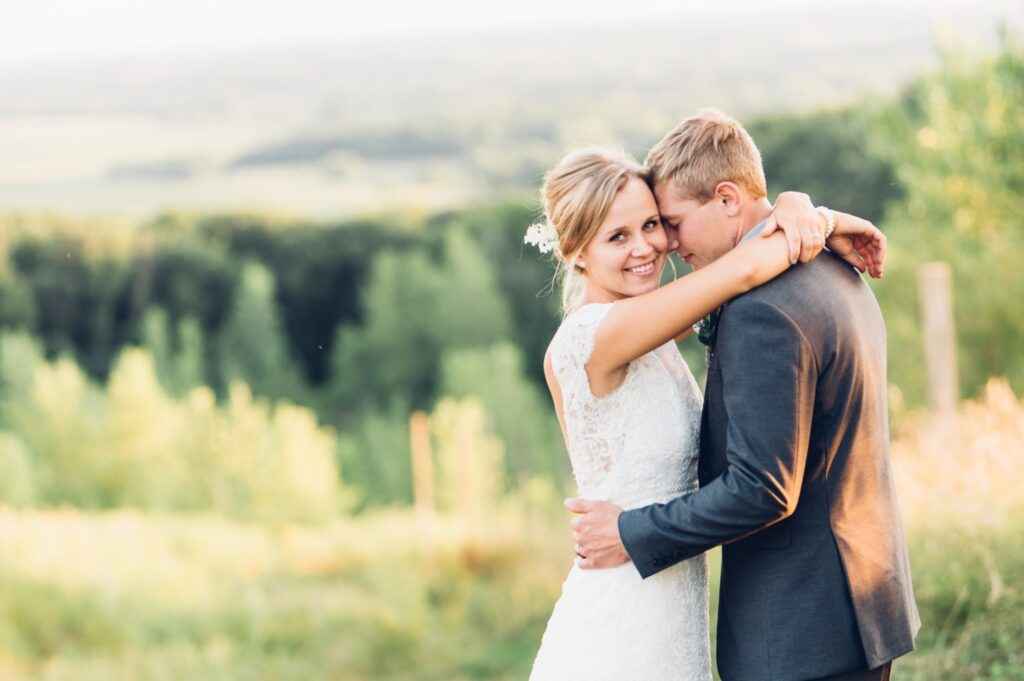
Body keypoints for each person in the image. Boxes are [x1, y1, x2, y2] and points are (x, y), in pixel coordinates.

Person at [566, 110, 920, 681]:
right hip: (859, 602)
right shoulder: (831, 265)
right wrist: (817, 216)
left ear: (728, 198)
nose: (666, 245)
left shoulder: (762, 310)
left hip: (800, 631)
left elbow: (762, 489)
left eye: (669, 223)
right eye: (627, 232)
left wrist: (630, 532)